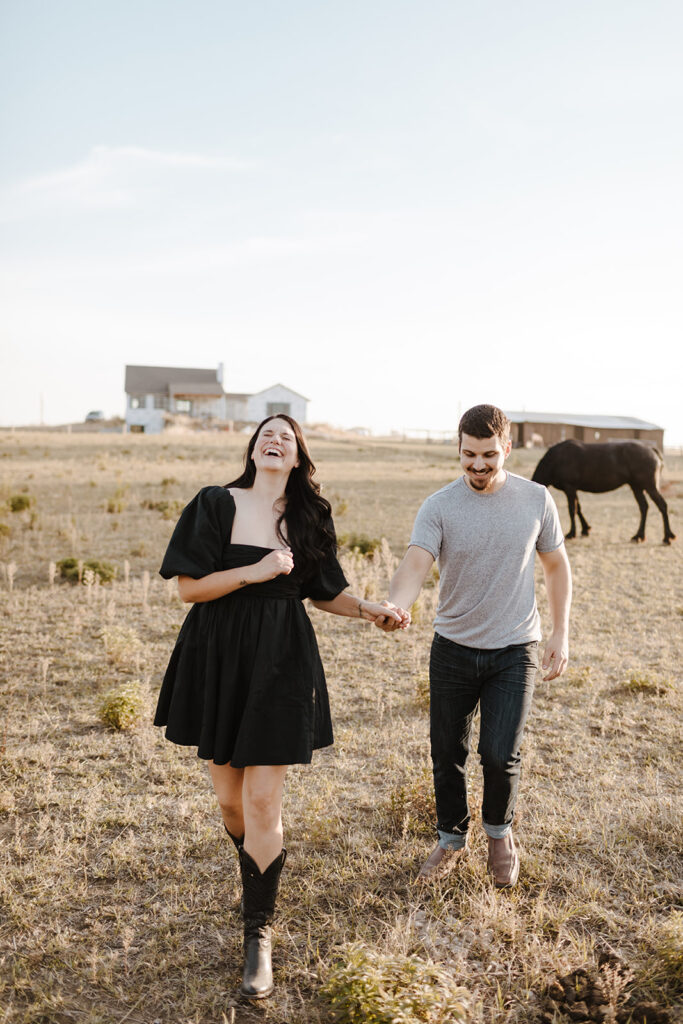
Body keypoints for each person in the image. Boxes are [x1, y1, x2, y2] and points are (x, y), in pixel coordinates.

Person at [154, 415, 408, 1000]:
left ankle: (258, 935)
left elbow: (324, 592)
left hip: (282, 660)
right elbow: (190, 588)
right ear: (253, 448)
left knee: (262, 799)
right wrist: (258, 570)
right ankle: (256, 877)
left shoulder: (310, 517)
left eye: (287, 437)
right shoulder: (216, 503)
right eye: (267, 433)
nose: (275, 440)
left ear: (298, 458)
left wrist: (371, 608)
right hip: (218, 655)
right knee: (230, 801)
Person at [376, 404, 571, 888]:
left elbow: (557, 567)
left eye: (489, 455)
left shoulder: (536, 499)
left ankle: (499, 834)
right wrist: (393, 605)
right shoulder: (439, 505)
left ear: (506, 448)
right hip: (453, 648)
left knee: (500, 752)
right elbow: (415, 566)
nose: (478, 465)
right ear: (457, 449)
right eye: (469, 455)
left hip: (514, 649)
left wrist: (560, 631)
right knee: (447, 751)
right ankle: (450, 839)